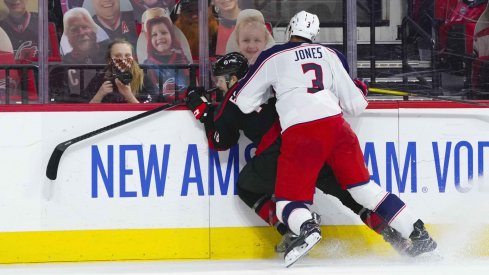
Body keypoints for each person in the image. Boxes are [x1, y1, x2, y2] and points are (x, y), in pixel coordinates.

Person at [233, 11, 437, 266]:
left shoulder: (274, 55)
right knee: (365, 190)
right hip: (337, 128)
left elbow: (243, 102)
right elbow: (356, 104)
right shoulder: (331, 55)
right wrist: (358, 87)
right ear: (314, 35)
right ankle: (418, 234)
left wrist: (269, 95)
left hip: (302, 133)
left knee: (287, 201)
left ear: (290, 31)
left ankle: (307, 228)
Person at [186, 52, 412, 257]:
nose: (217, 86)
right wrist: (356, 87)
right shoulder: (273, 79)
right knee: (350, 196)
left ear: (233, 79)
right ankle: (397, 238)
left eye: (219, 80)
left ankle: (295, 230)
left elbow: (221, 141)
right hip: (312, 141)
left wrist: (204, 112)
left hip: (284, 151)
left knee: (246, 186)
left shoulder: (234, 97)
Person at [49, 7, 109, 101]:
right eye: (74, 30)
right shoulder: (63, 64)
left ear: (93, 29)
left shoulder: (111, 50)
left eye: (85, 27)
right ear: (68, 37)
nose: (81, 33)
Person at [81, 38, 159, 103]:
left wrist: (129, 96)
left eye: (127, 55)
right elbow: (84, 110)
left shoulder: (142, 78)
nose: (123, 59)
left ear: (133, 58)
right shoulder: (100, 78)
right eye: (118, 56)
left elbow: (149, 111)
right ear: (109, 60)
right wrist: (100, 94)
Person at [143, 15, 190, 102]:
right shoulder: (146, 65)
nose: (159, 37)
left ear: (171, 35)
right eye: (154, 35)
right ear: (150, 39)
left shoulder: (183, 59)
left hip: (183, 106)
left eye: (164, 33)